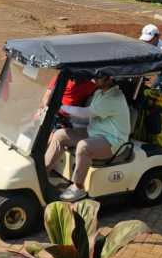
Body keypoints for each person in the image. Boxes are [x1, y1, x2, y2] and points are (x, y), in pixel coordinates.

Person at [44, 73, 131, 201]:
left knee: (83, 146)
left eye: (98, 77)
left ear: (110, 78)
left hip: (112, 140)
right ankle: (43, 171)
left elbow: (86, 113)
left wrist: (60, 106)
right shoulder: (100, 93)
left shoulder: (114, 98)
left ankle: (78, 187)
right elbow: (89, 116)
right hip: (94, 133)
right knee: (60, 135)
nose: (94, 79)